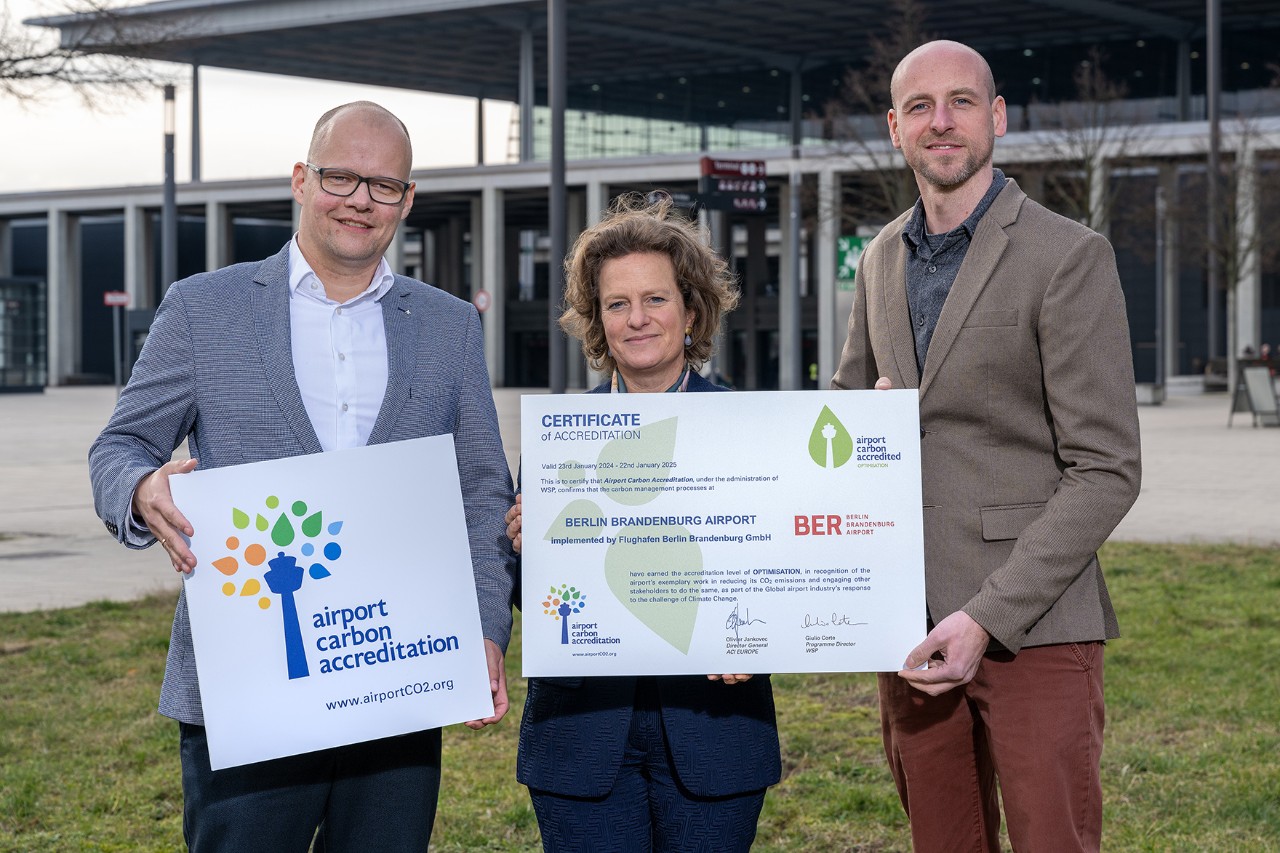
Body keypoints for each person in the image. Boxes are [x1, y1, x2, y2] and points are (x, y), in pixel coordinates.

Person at [88, 101, 515, 852]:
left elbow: (481, 487)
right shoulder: (203, 310)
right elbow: (119, 445)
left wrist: (484, 627)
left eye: (383, 185)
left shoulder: (450, 325)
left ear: (407, 201)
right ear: (300, 179)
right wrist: (139, 488)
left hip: (395, 680)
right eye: (341, 176)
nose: (360, 199)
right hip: (247, 685)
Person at [831, 41, 1142, 852]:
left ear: (996, 117)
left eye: (962, 102)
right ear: (895, 127)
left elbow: (1106, 469)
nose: (943, 122)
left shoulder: (1067, 255)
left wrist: (988, 616)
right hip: (909, 624)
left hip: (1034, 624)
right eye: (922, 108)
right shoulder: (877, 258)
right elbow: (839, 416)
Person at [504, 195, 781, 851]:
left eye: (655, 299)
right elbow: (532, 596)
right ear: (598, 319)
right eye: (617, 303)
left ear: (690, 309)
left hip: (715, 728)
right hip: (582, 733)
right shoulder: (561, 440)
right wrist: (528, 550)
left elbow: (781, 575)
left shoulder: (758, 434)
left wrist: (756, 633)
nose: (637, 319)